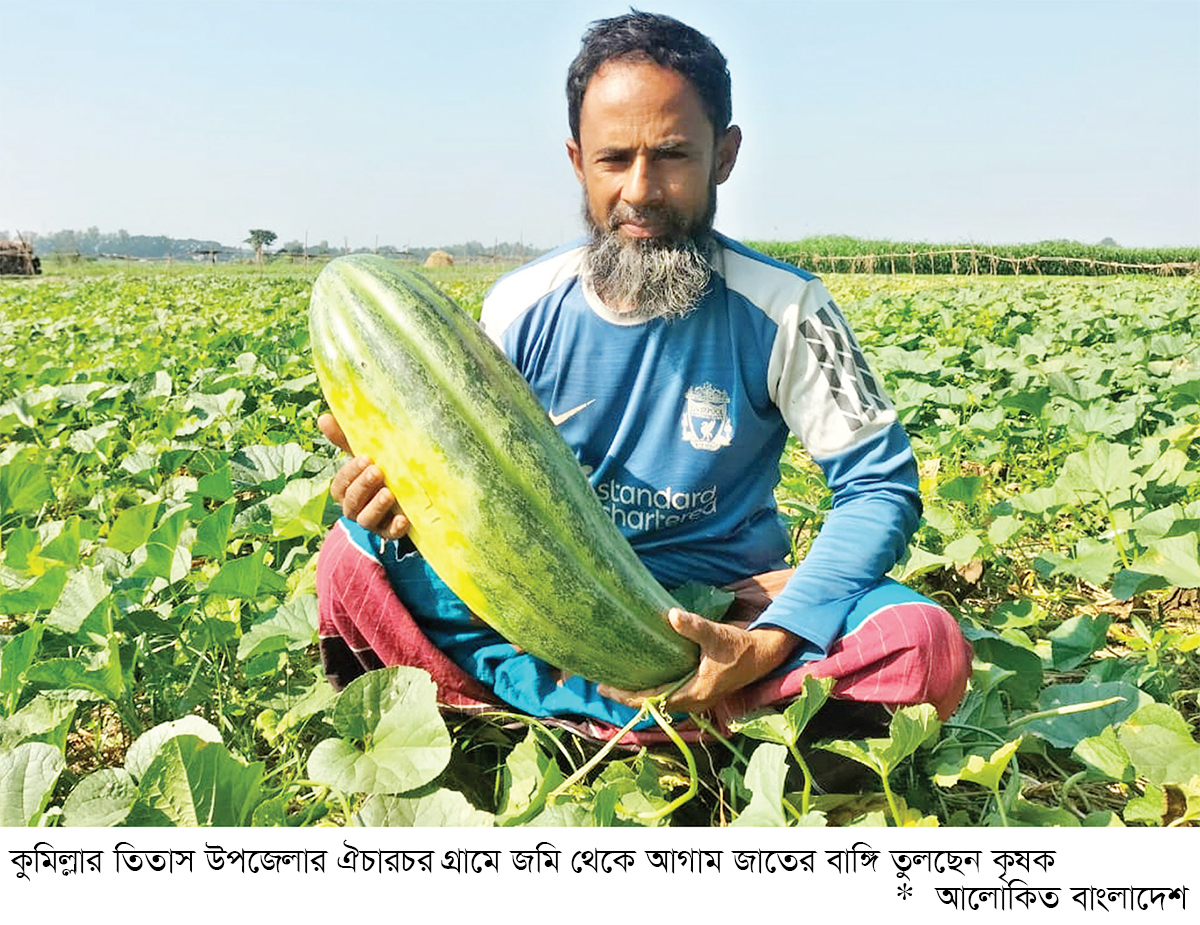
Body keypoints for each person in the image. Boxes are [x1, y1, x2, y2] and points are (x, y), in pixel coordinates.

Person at [315, 12, 972, 738]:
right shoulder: (517, 306)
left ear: (724, 155)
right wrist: (398, 502)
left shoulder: (788, 306)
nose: (642, 189)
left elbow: (879, 486)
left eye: (672, 155)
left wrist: (771, 639)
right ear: (577, 161)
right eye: (614, 159)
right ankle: (698, 730)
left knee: (922, 644)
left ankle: (564, 719)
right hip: (554, 612)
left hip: (727, 609)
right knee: (354, 560)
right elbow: (467, 485)